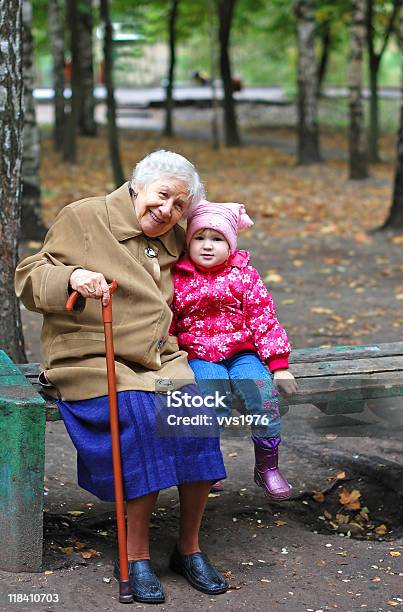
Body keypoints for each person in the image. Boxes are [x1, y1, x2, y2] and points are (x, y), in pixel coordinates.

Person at [15, 151, 229, 604]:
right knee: (140, 413)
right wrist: (73, 276)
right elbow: (28, 278)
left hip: (157, 357)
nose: (167, 210)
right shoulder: (85, 217)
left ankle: (188, 548)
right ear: (138, 186)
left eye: (179, 205)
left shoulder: (174, 235)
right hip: (92, 354)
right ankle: (135, 556)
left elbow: (218, 259)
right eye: (162, 196)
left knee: (196, 415)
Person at [170, 199, 298, 500]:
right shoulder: (178, 278)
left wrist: (279, 365)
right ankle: (208, 466)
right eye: (199, 238)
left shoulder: (244, 275)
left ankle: (267, 466)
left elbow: (263, 318)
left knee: (262, 393)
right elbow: (168, 320)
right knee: (209, 399)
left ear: (231, 244)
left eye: (217, 239)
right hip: (200, 354)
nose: (207, 245)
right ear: (188, 242)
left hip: (242, 352)